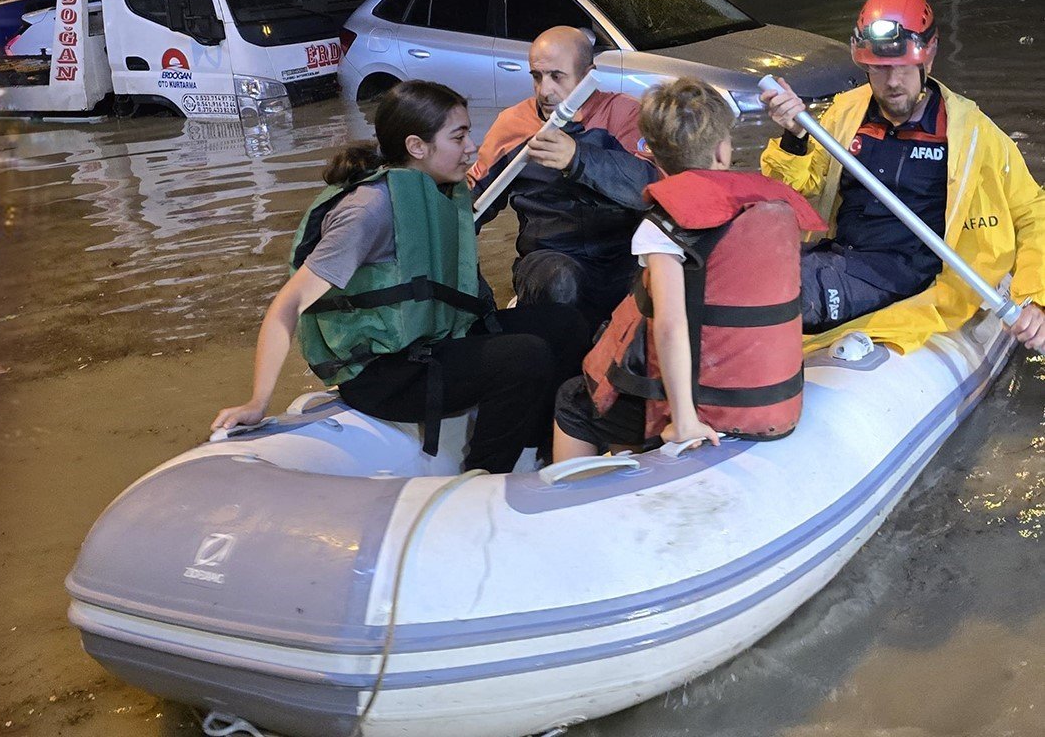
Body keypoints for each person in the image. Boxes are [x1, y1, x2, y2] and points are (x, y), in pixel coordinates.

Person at [212, 80, 589, 473]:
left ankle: (539, 453)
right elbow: (287, 304)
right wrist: (257, 401)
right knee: (526, 357)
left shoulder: (437, 190)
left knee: (565, 324)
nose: (471, 147)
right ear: (416, 147)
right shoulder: (368, 210)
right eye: (458, 136)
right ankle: (485, 477)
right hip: (384, 374)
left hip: (432, 341)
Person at [761, 0, 1045, 353]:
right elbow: (790, 198)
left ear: (928, 58)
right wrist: (795, 137)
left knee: (782, 290)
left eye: (902, 68)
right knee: (743, 267)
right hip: (842, 255)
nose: (892, 82)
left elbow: (1032, 211)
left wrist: (1035, 296)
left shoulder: (971, 132)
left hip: (907, 273)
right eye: (879, 70)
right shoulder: (846, 115)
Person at [553, 79, 826, 461]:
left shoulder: (663, 223)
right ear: (721, 150)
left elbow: (669, 324)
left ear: (653, 156)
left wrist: (683, 421)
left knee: (572, 401)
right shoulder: (766, 205)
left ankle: (584, 497)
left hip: (698, 399)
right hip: (767, 396)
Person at [468, 26, 657, 326]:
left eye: (557, 76)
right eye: (536, 76)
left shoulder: (626, 115)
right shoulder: (512, 124)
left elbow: (651, 189)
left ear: (587, 75)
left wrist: (578, 157)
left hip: (622, 257)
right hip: (550, 258)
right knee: (561, 281)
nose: (545, 90)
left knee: (666, 280)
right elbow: (474, 203)